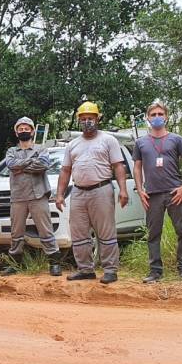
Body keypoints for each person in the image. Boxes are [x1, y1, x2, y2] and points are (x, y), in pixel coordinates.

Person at [56, 102, 129, 284]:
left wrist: (123, 190)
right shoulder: (72, 144)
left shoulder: (108, 140)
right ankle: (85, 269)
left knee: (105, 231)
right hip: (78, 191)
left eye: (91, 118)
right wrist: (59, 194)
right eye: (83, 119)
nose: (87, 121)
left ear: (98, 118)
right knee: (79, 232)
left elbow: (118, 166)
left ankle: (110, 270)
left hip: (101, 189)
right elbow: (65, 170)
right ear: (79, 120)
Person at [133, 101, 182, 282]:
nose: (157, 117)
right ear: (147, 118)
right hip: (152, 194)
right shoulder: (140, 142)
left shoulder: (176, 139)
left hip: (175, 192)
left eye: (160, 114)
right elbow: (137, 167)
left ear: (166, 117)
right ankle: (155, 271)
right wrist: (140, 189)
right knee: (153, 234)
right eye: (153, 115)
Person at [3, 117, 62, 276]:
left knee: (45, 230)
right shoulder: (11, 151)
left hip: (38, 195)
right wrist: (30, 162)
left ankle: (54, 263)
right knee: (16, 232)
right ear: (16, 132)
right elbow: (10, 165)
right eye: (20, 129)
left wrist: (21, 167)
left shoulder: (41, 149)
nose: (24, 131)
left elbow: (42, 165)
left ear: (32, 131)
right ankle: (15, 264)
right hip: (18, 196)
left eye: (26, 128)